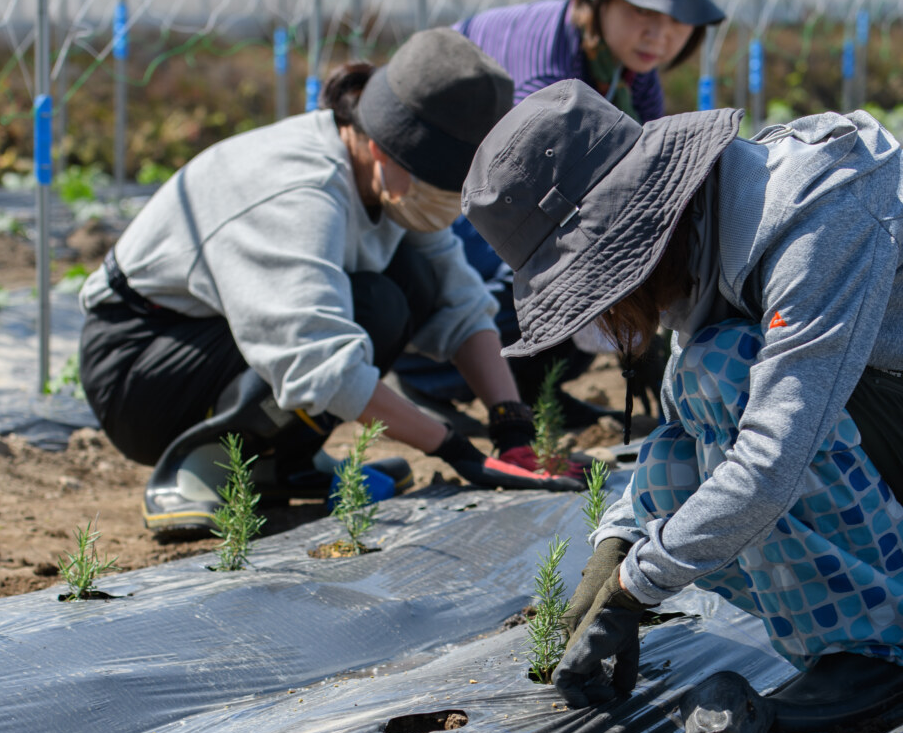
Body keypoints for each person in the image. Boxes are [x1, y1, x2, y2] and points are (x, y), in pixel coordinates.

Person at [464, 82, 903, 733]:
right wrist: (616, 547)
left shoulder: (817, 216)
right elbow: (683, 429)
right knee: (680, 455)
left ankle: (887, 658)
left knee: (727, 375)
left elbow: (773, 457)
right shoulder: (708, 231)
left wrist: (633, 591)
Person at [78, 29, 583, 538]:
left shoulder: (384, 183)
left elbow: (459, 298)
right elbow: (317, 358)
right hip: (141, 371)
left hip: (211, 344)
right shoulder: (301, 191)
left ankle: (279, 464)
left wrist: (511, 424)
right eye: (441, 189)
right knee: (375, 306)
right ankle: (198, 466)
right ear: (384, 149)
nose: (450, 207)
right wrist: (456, 450)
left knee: (412, 279)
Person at [396, 0, 725, 431]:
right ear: (598, 1)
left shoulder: (631, 68)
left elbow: (652, 187)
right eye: (642, 10)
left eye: (678, 20)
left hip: (499, 208)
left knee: (607, 277)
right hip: (441, 210)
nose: (659, 33)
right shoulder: (548, 76)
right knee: (557, 267)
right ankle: (431, 376)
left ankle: (539, 393)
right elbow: (537, 204)